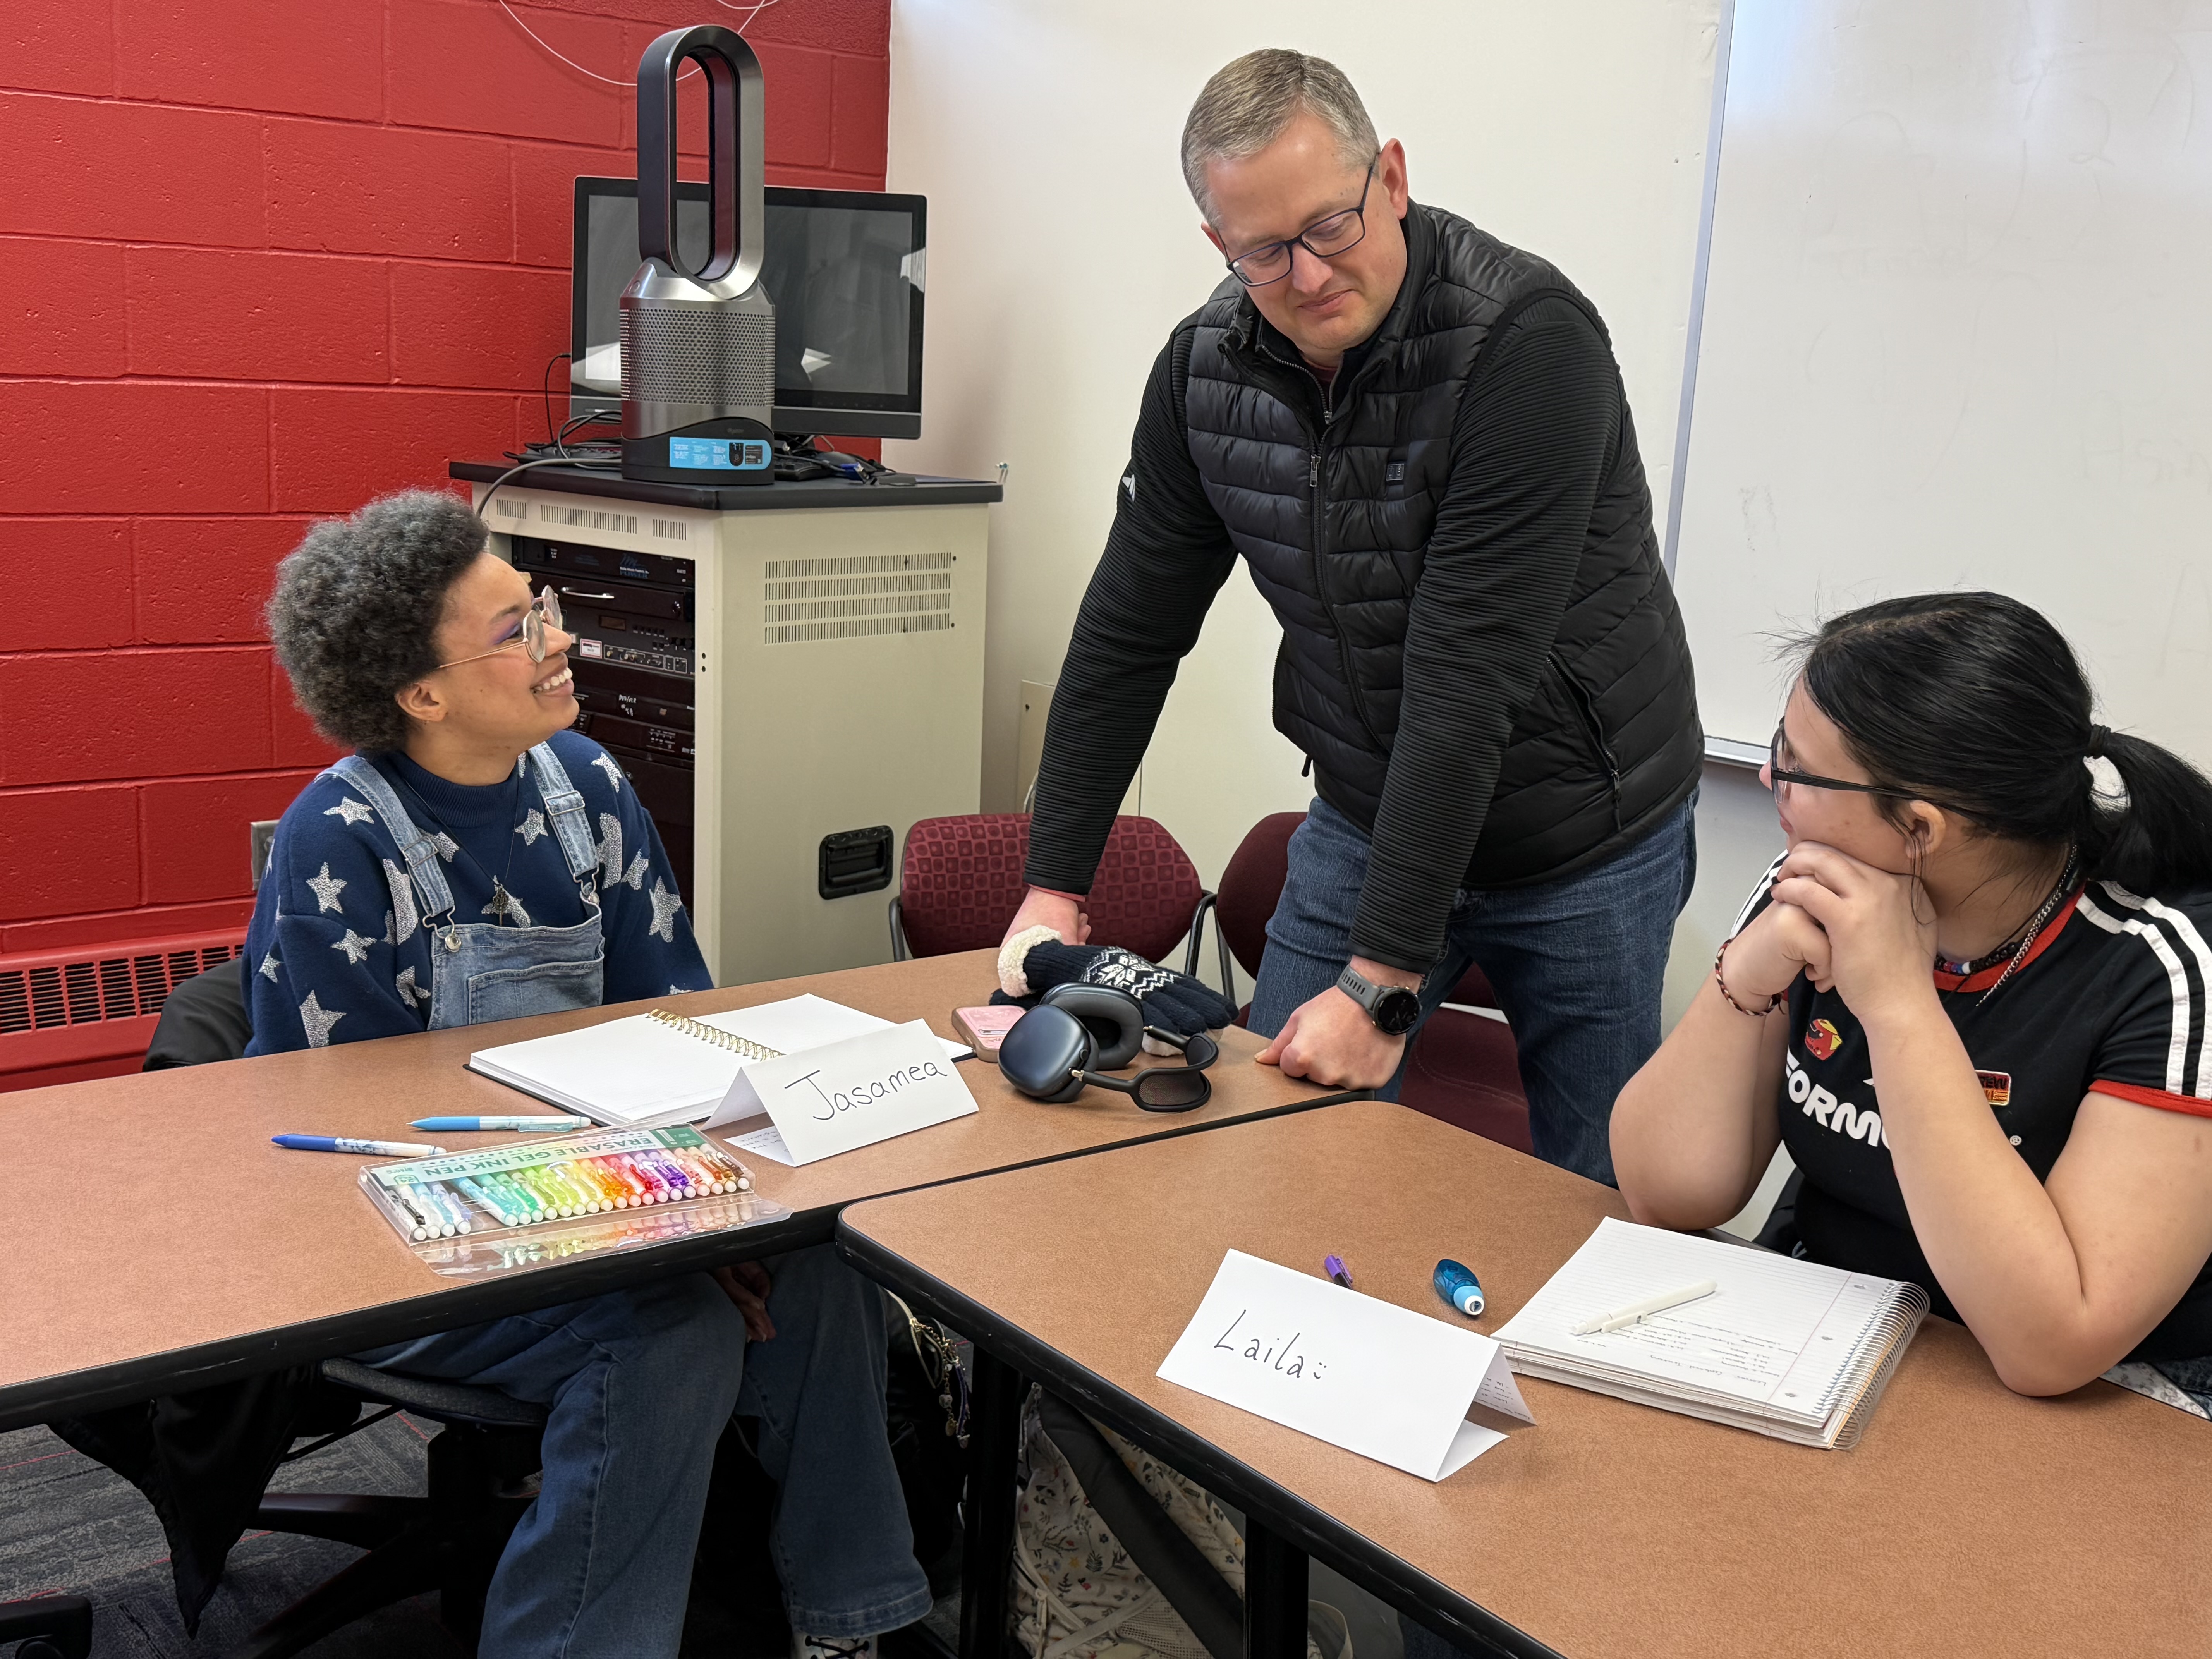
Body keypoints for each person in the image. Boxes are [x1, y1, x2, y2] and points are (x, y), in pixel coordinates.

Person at [246, 490, 931, 1659]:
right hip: (410, 1231)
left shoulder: (590, 789)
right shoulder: (341, 840)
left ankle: (857, 1619)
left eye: (545, 607)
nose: (562, 639)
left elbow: (680, 1037)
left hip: (611, 1200)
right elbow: (355, 1139)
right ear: (423, 693)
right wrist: (650, 1243)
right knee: (669, 1336)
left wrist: (722, 1225)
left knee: (827, 1269)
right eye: (517, 628)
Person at [1004, 50, 1702, 1184]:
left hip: (1582, 835)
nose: (1308, 272)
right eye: (1264, 251)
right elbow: (1129, 633)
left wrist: (1381, 983)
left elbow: (1467, 673)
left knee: (1599, 1195)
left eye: (1332, 225)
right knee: (1265, 1153)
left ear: (1392, 174)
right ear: (1218, 247)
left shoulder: (1528, 345)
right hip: (1372, 809)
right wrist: (1054, 883)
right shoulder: (1202, 373)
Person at [1612, 592, 2212, 1399]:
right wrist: (1746, 979)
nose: (1767, 780)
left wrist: (1898, 1006)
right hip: (1836, 1334)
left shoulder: (2166, 968)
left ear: (1920, 830)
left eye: (1793, 767)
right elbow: (1664, 1190)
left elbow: (2053, 1345)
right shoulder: (1819, 893)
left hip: (2103, 1407)